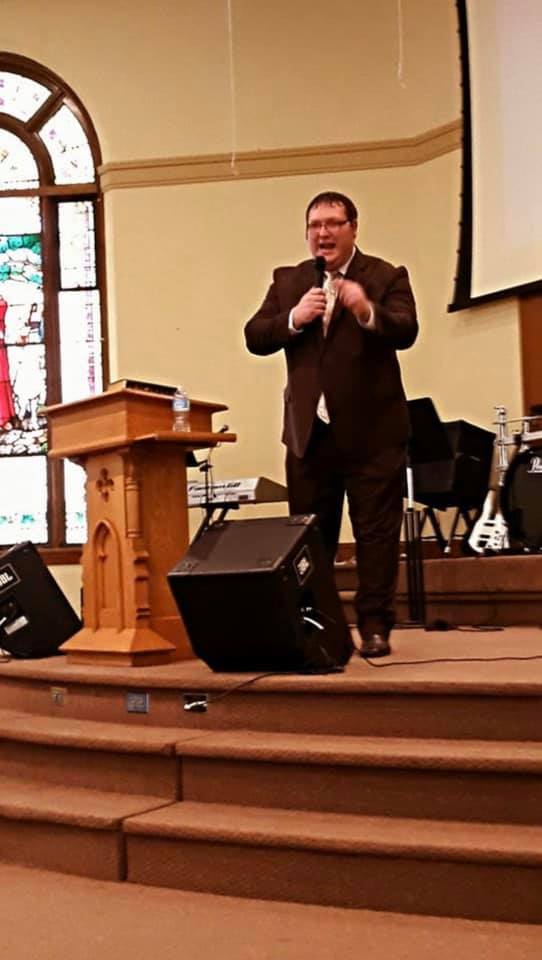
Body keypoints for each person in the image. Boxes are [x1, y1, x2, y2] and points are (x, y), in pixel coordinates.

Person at [244, 191, 418, 658]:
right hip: (309, 436)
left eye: (333, 224)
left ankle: (376, 626)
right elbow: (255, 336)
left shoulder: (384, 275)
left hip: (374, 434)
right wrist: (293, 320)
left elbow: (406, 329)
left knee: (375, 536)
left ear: (353, 228)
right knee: (310, 539)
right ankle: (319, 626)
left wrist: (365, 311)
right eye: (315, 225)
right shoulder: (288, 280)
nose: (323, 233)